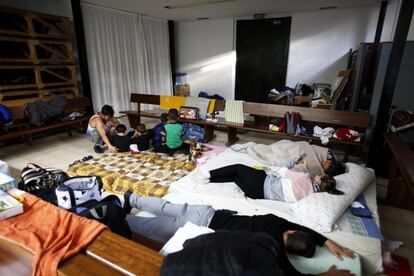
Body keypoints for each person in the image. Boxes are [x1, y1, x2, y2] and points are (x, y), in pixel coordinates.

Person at [123, 193, 354, 261]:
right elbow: (290, 274)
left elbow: (299, 225)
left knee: (167, 206)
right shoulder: (270, 250)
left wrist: (327, 241)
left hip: (206, 214)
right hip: (201, 233)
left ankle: (130, 199)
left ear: (292, 232)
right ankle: (122, 221)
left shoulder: (275, 221)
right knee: (154, 228)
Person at [161, 231, 354, 276]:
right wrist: (325, 274)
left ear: (291, 232)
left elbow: (190, 242)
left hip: (177, 258)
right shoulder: (270, 260)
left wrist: (327, 241)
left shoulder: (262, 236)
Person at [194, 161, 344, 202]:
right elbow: (305, 181)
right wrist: (306, 170)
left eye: (320, 176)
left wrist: (292, 163)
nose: (318, 175)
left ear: (320, 180)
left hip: (261, 183)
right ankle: (209, 181)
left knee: (237, 168)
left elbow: (281, 171)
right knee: (234, 178)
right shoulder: (312, 194)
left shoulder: (303, 179)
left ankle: (208, 174)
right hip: (256, 193)